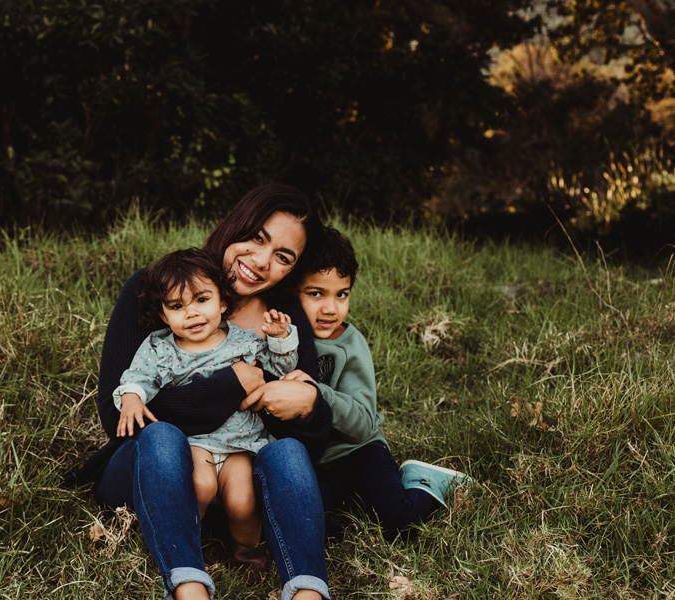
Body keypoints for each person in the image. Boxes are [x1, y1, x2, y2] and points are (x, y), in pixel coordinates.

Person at [63, 184, 333, 600]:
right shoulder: (158, 286)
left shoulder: (283, 318)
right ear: (234, 225)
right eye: (257, 238)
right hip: (156, 470)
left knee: (287, 452)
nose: (261, 262)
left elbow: (310, 438)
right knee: (161, 436)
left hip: (242, 479)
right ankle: (190, 588)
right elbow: (116, 416)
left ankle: (307, 592)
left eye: (283, 257)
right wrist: (230, 384)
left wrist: (310, 405)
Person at [113, 247, 300, 579]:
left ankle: (245, 551)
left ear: (222, 302)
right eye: (177, 306)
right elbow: (137, 379)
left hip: (240, 442)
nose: (192, 314)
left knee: (243, 500)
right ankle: (186, 546)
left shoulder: (244, 341)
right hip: (193, 442)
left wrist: (280, 338)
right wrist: (130, 399)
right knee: (200, 486)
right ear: (163, 314)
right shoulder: (160, 347)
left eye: (202, 300)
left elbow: (278, 369)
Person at [284, 226, 473, 541]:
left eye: (341, 294)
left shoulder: (350, 344)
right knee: (320, 527)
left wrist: (316, 394)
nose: (330, 308)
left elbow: (362, 422)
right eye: (316, 293)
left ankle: (424, 480)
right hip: (317, 460)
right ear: (292, 291)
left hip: (359, 446)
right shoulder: (283, 335)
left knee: (400, 523)